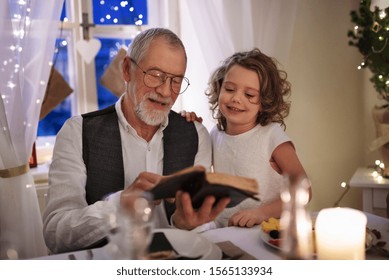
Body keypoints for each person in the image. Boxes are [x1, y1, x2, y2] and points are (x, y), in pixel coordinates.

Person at [43, 28, 230, 254]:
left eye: (175, 80)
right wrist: (119, 205)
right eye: (155, 75)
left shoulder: (197, 134)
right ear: (126, 69)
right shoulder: (76, 132)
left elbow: (204, 230)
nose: (165, 91)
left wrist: (186, 224)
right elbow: (55, 234)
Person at [183, 48, 311, 228]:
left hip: (267, 231)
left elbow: (304, 190)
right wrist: (189, 124)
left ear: (264, 102)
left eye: (249, 95)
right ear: (219, 89)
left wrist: (261, 213)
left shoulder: (272, 136)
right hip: (227, 230)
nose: (236, 98)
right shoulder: (214, 135)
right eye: (229, 89)